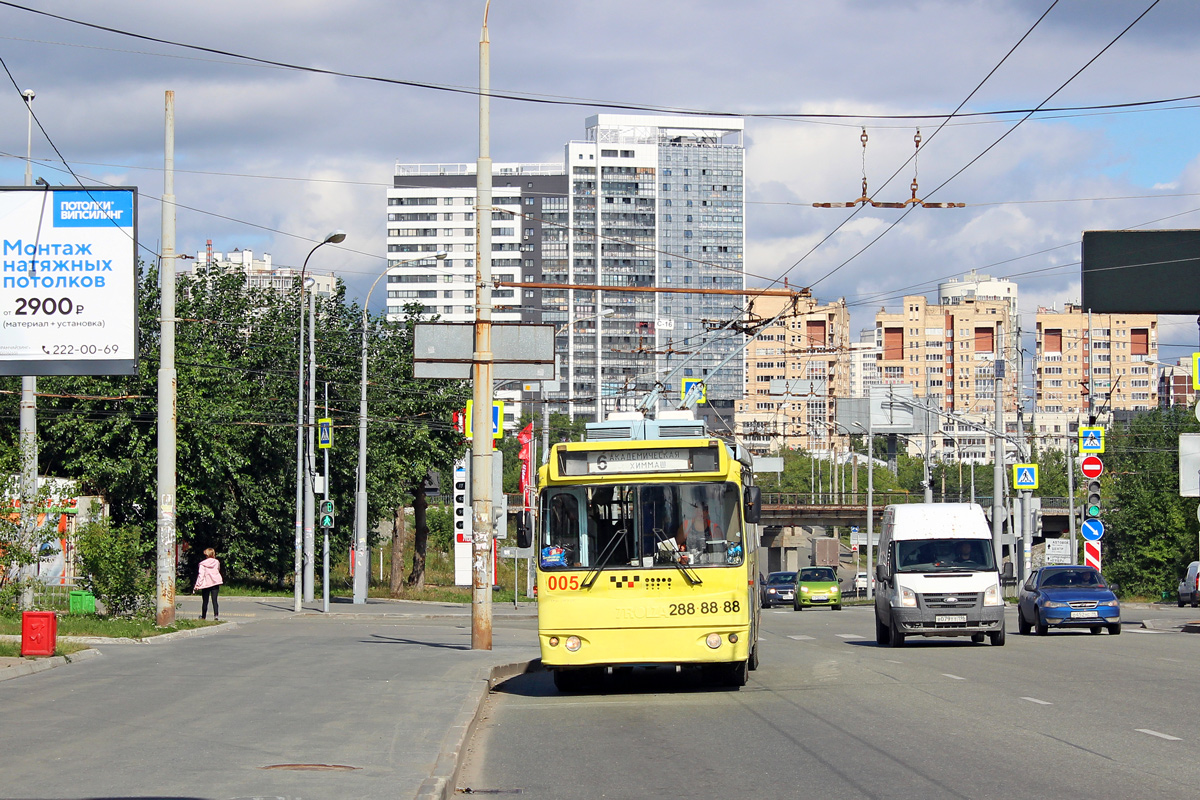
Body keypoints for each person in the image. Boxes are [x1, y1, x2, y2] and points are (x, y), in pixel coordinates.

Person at [194, 548, 224, 621]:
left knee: (205, 601)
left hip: (206, 583)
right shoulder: (216, 562)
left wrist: (197, 585)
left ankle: (203, 616)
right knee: (215, 600)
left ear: (206, 555)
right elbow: (218, 570)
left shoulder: (203, 564)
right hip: (215, 582)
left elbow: (201, 575)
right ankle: (216, 616)